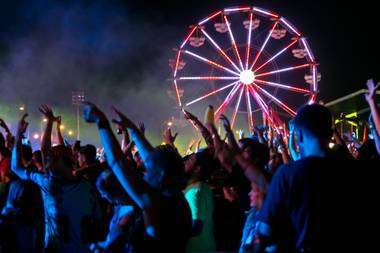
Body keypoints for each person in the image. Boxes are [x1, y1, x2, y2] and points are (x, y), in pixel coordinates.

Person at [254, 104, 377, 253]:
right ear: (331, 134)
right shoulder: (357, 171)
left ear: (298, 135)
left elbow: (264, 234)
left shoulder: (287, 175)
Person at [82, 102, 192, 252]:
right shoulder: (178, 199)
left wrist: (101, 122)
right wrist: (133, 130)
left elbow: (118, 163)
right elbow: (154, 161)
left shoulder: (155, 204)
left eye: (149, 170)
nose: (145, 171)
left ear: (159, 176)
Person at [11, 108, 101, 253]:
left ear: (61, 161)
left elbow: (17, 166)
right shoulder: (87, 187)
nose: (47, 160)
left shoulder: (49, 183)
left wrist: (19, 134)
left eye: (51, 158)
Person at [183, 149, 216, 252]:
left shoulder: (194, 192)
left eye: (190, 160)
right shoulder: (203, 187)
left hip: (196, 249)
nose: (185, 162)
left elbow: (196, 227)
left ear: (197, 168)